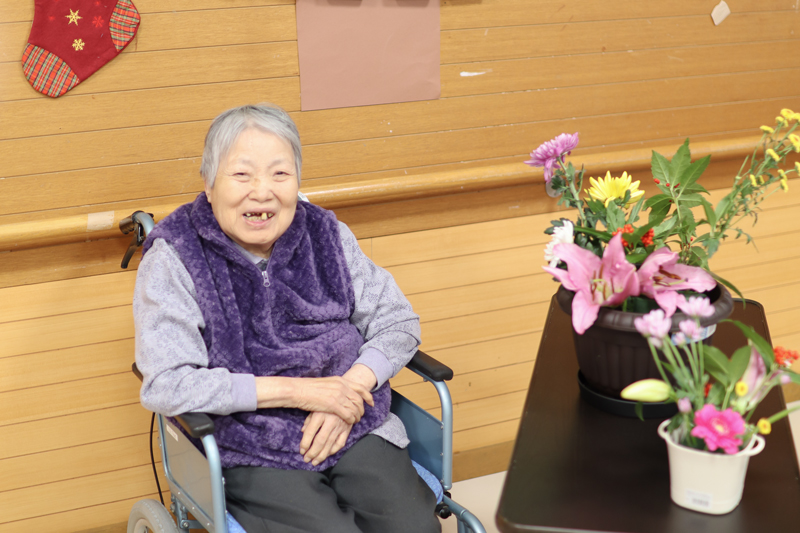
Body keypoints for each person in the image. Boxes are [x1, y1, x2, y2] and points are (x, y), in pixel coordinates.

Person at [133, 104, 441, 533]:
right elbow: (167, 383)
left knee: (414, 528)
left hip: (352, 421)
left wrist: (349, 391)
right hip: (251, 442)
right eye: (242, 174)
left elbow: (398, 321)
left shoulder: (325, 233)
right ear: (209, 182)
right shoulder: (175, 257)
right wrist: (304, 393)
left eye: (279, 174)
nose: (262, 192)